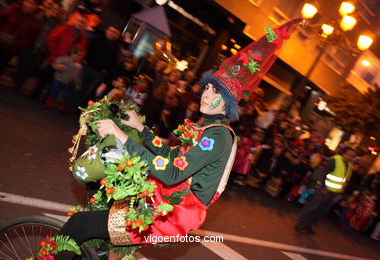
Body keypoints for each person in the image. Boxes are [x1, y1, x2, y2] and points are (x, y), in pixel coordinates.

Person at [45, 19, 301, 257]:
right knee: (98, 215)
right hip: (162, 197)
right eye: (207, 88)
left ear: (228, 103)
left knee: (81, 224)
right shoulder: (207, 128)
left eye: (215, 92)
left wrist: (123, 137)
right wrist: (141, 130)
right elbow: (171, 157)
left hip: (169, 213)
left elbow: (171, 174)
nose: (206, 95)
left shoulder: (218, 136)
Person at [295, 147, 356, 234]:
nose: (350, 157)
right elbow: (321, 174)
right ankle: (300, 225)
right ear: (343, 154)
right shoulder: (334, 160)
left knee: (320, 212)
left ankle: (308, 225)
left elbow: (344, 179)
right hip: (323, 190)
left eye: (352, 156)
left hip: (334, 193)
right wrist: (322, 188)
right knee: (311, 207)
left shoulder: (349, 166)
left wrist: (340, 192)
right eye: (348, 155)